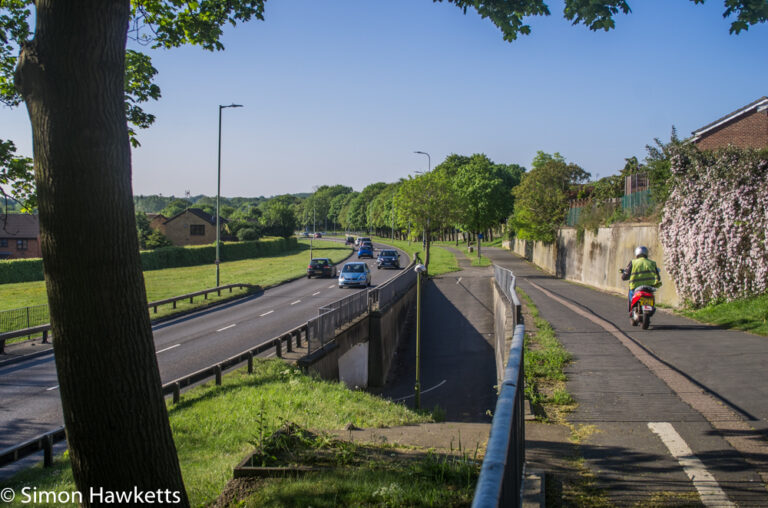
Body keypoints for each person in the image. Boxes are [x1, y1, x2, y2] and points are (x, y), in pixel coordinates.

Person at [620, 246, 662, 312]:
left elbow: (625, 276)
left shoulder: (633, 262)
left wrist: (624, 275)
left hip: (635, 286)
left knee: (631, 294)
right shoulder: (652, 263)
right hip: (649, 287)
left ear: (636, 253)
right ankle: (651, 306)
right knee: (652, 295)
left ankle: (632, 309)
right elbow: (658, 277)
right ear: (646, 253)